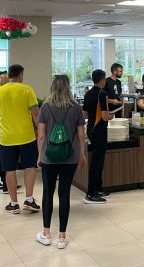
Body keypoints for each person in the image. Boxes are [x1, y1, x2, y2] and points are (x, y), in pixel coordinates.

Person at [36, 75, 87, 247]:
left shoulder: (45, 107)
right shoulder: (76, 108)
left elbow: (41, 136)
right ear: (68, 88)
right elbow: (81, 135)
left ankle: (46, 233)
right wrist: (82, 155)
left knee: (48, 192)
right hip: (70, 157)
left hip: (49, 157)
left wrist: (39, 156)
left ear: (52, 87)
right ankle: (62, 237)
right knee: (64, 194)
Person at [0, 64, 40, 215]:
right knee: (29, 167)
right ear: (20, 75)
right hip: (27, 137)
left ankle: (14, 203)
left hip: (6, 138)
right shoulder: (27, 89)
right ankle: (29, 199)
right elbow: (35, 113)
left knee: (9, 169)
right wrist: (40, 130)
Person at [83, 69, 114, 204]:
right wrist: (111, 116)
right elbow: (105, 116)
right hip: (99, 129)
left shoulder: (88, 93)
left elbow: (85, 114)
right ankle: (91, 193)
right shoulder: (102, 93)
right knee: (97, 162)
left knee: (98, 160)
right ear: (102, 80)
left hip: (91, 128)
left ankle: (98, 189)